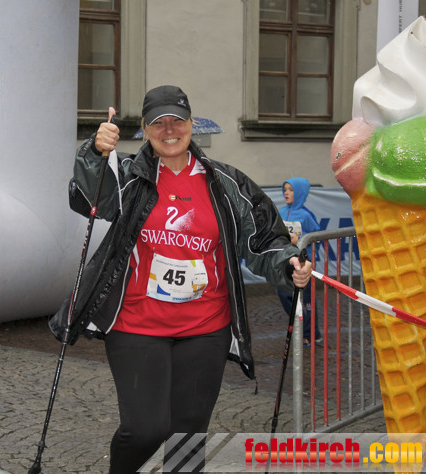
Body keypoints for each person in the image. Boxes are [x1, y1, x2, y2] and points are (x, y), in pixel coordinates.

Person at [48, 85, 312, 474]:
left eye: (177, 120)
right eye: (159, 123)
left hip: (205, 327)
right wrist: (94, 153)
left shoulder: (226, 183)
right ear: (144, 129)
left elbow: (264, 241)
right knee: (145, 430)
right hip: (137, 323)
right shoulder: (128, 175)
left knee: (187, 436)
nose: (169, 130)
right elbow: (90, 200)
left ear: (191, 124)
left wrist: (288, 265)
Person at [277, 178, 322, 347]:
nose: (286, 193)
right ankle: (300, 327)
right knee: (284, 294)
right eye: (285, 189)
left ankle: (311, 335)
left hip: (303, 262)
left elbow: (318, 237)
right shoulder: (281, 212)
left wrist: (300, 240)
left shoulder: (306, 215)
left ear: (300, 193)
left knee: (305, 299)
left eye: (291, 190)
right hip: (285, 261)